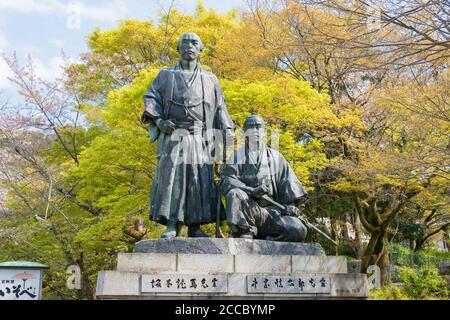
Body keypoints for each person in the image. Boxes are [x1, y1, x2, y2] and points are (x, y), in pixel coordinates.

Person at [141, 32, 234, 238]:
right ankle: (173, 225)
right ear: (178, 48)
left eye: (194, 43)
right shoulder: (166, 75)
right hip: (174, 133)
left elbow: (220, 108)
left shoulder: (210, 79)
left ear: (201, 50)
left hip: (201, 137)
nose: (189, 46)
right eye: (185, 42)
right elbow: (151, 97)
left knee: (199, 179)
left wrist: (227, 134)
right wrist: (159, 121)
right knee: (172, 179)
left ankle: (196, 226)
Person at [220, 114, 308, 242]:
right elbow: (226, 181)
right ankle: (245, 231)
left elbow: (289, 189)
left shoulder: (276, 158)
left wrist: (291, 206)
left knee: (298, 229)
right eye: (251, 127)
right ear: (244, 131)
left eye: (258, 127)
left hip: (272, 215)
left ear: (264, 131)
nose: (255, 131)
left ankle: (268, 240)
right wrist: (250, 190)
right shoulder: (236, 156)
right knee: (234, 194)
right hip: (249, 210)